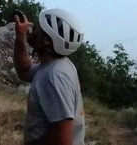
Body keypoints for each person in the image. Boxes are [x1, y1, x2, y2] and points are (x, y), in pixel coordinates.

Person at [14, 8, 86, 145]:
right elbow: (24, 71)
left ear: (47, 41)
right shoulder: (55, 66)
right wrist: (19, 37)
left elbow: (62, 140)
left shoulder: (55, 76)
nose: (32, 27)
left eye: (38, 28)